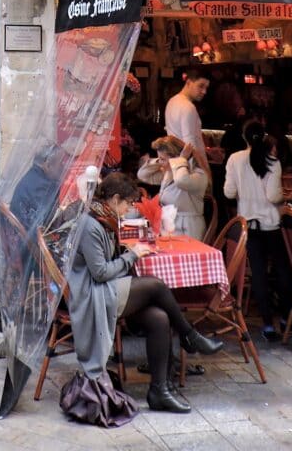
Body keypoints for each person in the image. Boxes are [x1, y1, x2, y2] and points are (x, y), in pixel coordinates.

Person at [67, 172, 223, 414]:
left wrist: (130, 249)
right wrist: (132, 255)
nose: (129, 209)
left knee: (159, 318)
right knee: (156, 285)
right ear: (115, 199)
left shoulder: (103, 216)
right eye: (128, 203)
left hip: (105, 288)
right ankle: (189, 335)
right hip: (93, 295)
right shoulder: (91, 223)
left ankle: (159, 391)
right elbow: (100, 272)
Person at [224, 119, 292, 341]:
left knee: (259, 273)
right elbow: (274, 196)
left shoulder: (235, 159)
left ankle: (267, 325)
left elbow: (228, 192)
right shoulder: (272, 161)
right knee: (283, 271)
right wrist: (286, 197)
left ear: (244, 138)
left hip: (249, 225)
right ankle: (285, 318)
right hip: (271, 224)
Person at [137, 136, 208, 239]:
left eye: (163, 159)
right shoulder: (168, 173)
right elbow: (142, 175)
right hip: (169, 228)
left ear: (176, 158)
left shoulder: (198, 175)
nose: (161, 163)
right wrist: (159, 160)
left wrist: (180, 160)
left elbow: (181, 181)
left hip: (188, 230)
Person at [164, 68, 211, 177]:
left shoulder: (171, 101)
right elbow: (190, 145)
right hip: (192, 169)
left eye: (206, 87)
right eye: (201, 86)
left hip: (177, 164)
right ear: (189, 82)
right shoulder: (188, 107)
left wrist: (208, 152)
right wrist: (206, 173)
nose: (204, 91)